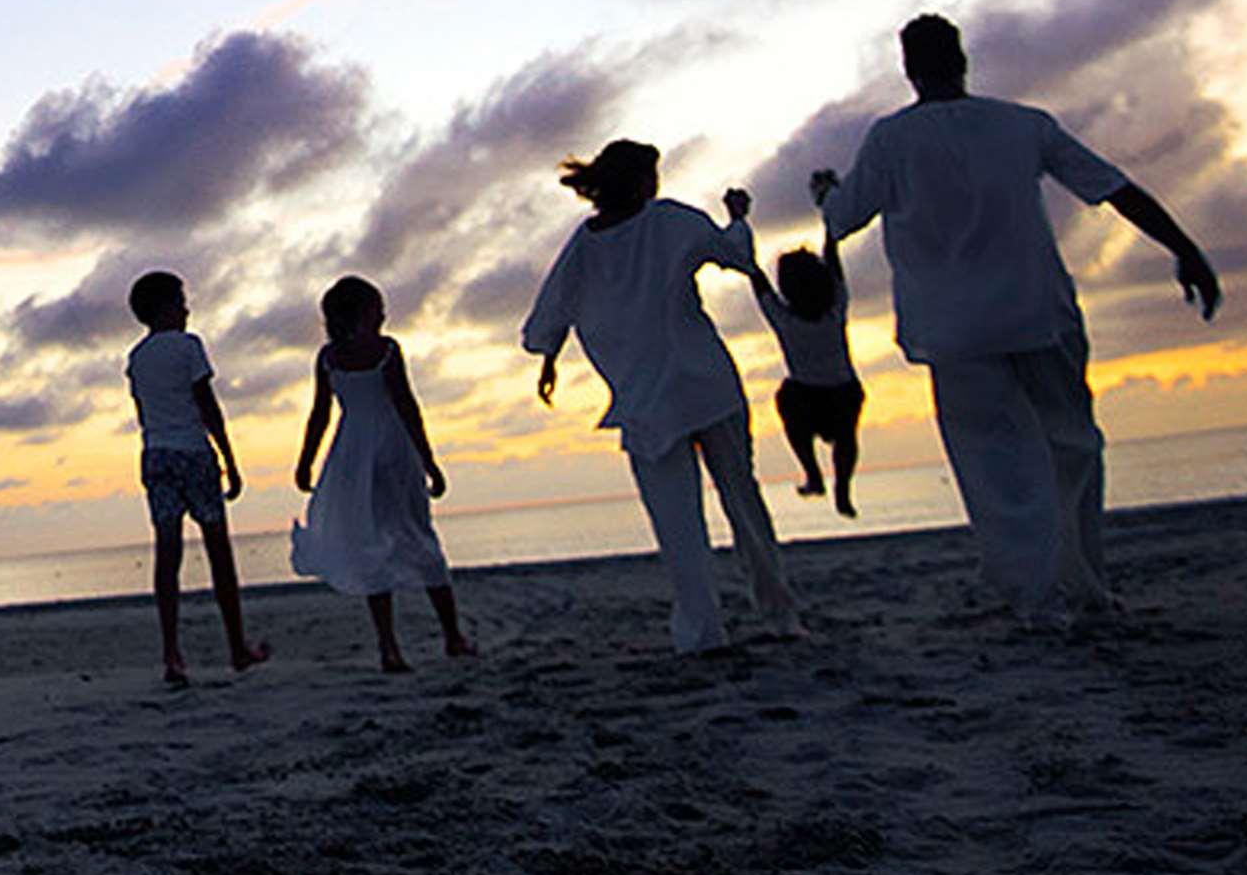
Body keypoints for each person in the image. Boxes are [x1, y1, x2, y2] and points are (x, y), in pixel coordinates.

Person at [812, 12, 1221, 624]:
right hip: (1038, 312)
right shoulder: (1021, 125)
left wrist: (825, 193)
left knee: (991, 463)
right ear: (963, 60)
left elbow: (844, 216)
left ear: (908, 69)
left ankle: (1035, 595)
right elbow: (1113, 188)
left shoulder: (891, 140)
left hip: (954, 330)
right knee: (1073, 445)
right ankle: (1084, 584)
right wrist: (1183, 248)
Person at [520, 141, 803, 654]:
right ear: (641, 181)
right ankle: (779, 614)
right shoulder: (670, 221)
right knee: (743, 500)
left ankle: (702, 631)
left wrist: (549, 355)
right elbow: (736, 255)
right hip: (705, 384)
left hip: (646, 400)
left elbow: (546, 318)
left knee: (677, 523)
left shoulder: (583, 246)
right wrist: (738, 217)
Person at [289, 275, 477, 672]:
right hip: (391, 449)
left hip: (353, 454)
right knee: (417, 534)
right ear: (361, 314)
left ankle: (391, 647)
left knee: (374, 541)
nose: (385, 315)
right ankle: (451, 636)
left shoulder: (328, 357)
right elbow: (407, 406)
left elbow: (321, 415)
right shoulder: (386, 350)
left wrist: (307, 460)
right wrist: (429, 461)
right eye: (377, 308)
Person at [122, 269, 271, 688]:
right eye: (180, 301)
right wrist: (229, 456)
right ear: (164, 308)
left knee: (167, 555)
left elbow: (142, 411)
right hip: (192, 452)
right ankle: (236, 646)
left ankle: (172, 653)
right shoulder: (189, 347)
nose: (187, 309)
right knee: (219, 552)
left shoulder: (136, 357)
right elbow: (207, 404)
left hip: (155, 454)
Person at [752, 226, 863, 515]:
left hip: (808, 396)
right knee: (846, 438)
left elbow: (757, 279)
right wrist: (828, 217)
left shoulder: (786, 321)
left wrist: (740, 225)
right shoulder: (835, 309)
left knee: (787, 401)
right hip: (842, 391)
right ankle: (841, 488)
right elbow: (833, 257)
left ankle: (813, 473)